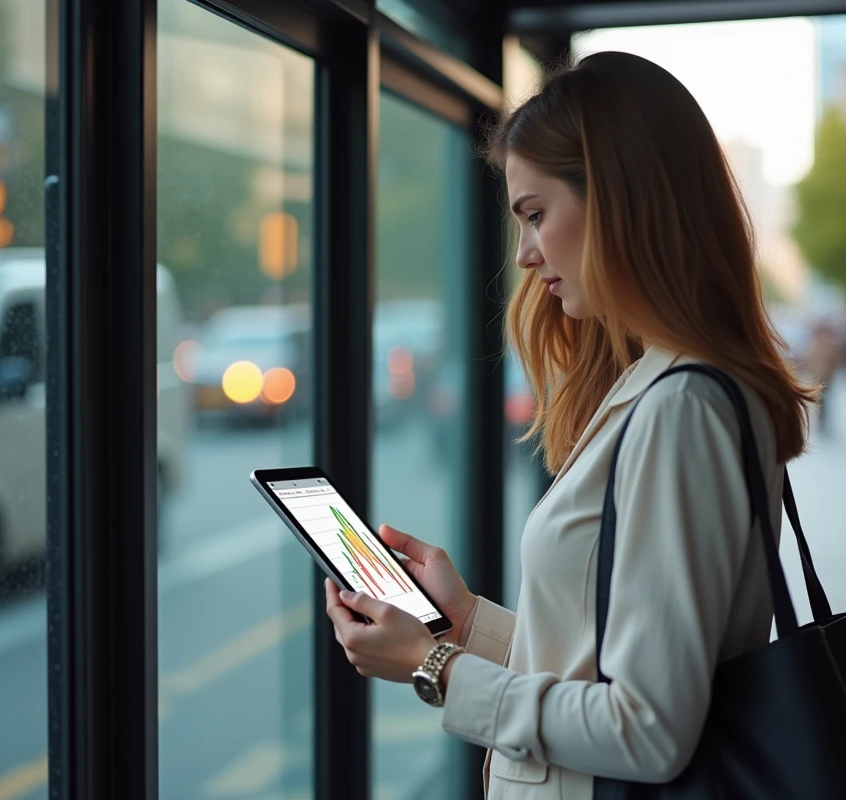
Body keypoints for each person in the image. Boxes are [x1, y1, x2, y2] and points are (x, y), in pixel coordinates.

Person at [323, 52, 817, 796]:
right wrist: (465, 624)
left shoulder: (680, 408)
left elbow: (647, 729)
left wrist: (435, 669)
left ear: (620, 200)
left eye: (535, 214)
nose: (524, 255)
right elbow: (615, 663)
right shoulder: (677, 386)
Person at [804, 320, 846, 436]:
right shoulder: (813, 344)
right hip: (816, 378)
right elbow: (808, 360)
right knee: (819, 402)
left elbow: (837, 360)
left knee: (824, 402)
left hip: (826, 378)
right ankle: (821, 423)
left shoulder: (830, 345)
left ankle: (824, 423)